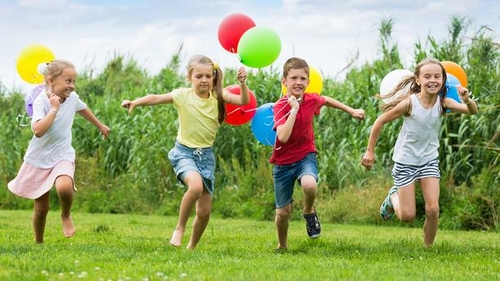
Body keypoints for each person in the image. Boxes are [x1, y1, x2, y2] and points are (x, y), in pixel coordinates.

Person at [121, 54, 249, 249]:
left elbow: (243, 101)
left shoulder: (219, 96)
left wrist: (242, 84)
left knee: (204, 212)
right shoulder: (183, 95)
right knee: (195, 187)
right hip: (184, 153)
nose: (204, 80)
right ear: (189, 78)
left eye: (208, 76)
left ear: (214, 77)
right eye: (199, 76)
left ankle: (191, 247)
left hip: (206, 157)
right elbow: (156, 98)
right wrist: (135, 102)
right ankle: (179, 228)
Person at [361, 58, 478, 247]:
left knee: (433, 209)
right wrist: (370, 151)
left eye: (437, 76)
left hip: (429, 161)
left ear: (443, 80)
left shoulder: (444, 102)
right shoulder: (409, 104)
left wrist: (467, 99)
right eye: (427, 76)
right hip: (406, 161)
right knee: (407, 216)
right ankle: (393, 197)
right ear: (417, 80)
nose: (433, 80)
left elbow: (471, 111)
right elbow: (379, 122)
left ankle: (427, 248)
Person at [8, 59, 111, 243]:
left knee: (64, 187)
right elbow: (38, 131)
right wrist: (54, 109)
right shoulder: (41, 102)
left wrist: (100, 125)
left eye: (73, 81)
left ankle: (65, 215)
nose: (72, 85)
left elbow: (83, 109)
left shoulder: (73, 98)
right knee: (41, 208)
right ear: (51, 81)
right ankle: (38, 241)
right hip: (39, 158)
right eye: (68, 81)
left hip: (62, 154)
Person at [270, 57, 365, 250]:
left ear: (308, 82)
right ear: (284, 82)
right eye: (293, 78)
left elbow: (326, 100)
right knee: (283, 213)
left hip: (305, 155)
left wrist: (351, 110)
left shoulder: (311, 99)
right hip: (282, 163)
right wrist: (294, 110)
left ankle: (308, 211)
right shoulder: (280, 106)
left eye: (303, 78)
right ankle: (283, 245)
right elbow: (283, 137)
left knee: (310, 185)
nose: (298, 82)